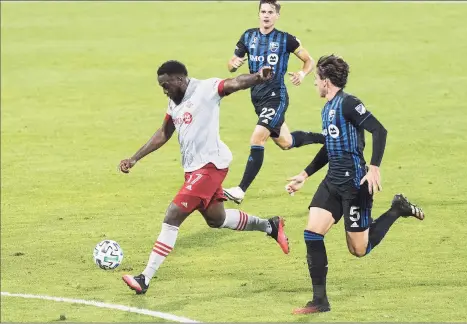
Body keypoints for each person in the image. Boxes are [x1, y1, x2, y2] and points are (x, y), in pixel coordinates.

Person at [118, 60, 289, 295]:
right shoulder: (174, 102)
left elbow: (234, 83)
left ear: (179, 80)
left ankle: (145, 278)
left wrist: (258, 77)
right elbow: (164, 133)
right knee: (216, 219)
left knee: (173, 215)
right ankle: (269, 226)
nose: (164, 90)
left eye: (166, 85)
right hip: (194, 170)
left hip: (210, 167)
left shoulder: (206, 89)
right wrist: (135, 158)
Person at [284, 54, 425, 314]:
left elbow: (379, 130)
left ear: (326, 81)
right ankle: (320, 301)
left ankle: (397, 209)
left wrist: (374, 167)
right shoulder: (327, 108)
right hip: (332, 181)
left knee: (358, 250)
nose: (314, 84)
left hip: (354, 184)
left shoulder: (349, 103)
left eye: (316, 79)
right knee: (312, 233)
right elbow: (330, 146)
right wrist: (304, 174)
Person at [223, 0, 325, 204]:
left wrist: (303, 74)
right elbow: (231, 64)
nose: (266, 15)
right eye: (263, 11)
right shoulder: (248, 36)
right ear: (258, 14)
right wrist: (233, 64)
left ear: (277, 15)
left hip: (276, 97)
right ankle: (327, 139)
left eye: (270, 12)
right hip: (257, 98)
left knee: (257, 138)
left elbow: (309, 60)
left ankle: (240, 190)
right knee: (286, 142)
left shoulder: (286, 39)